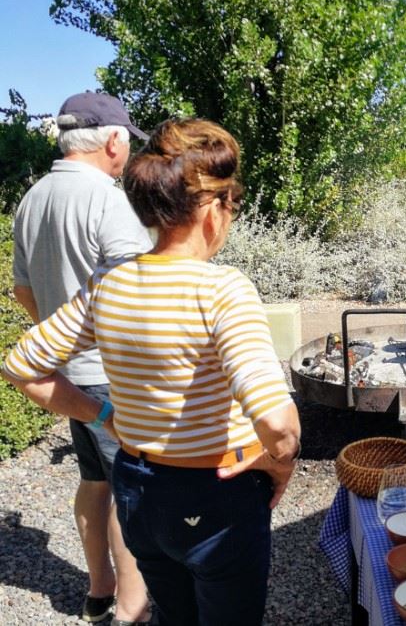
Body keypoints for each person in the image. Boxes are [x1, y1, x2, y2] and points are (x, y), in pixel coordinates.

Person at [3, 118, 302, 626]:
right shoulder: (223, 291)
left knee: (174, 614)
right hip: (216, 493)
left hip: (140, 490)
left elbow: (20, 366)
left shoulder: (109, 284)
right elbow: (277, 423)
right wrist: (280, 461)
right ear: (211, 209)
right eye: (233, 202)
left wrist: (104, 417)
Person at [12, 91, 152, 624]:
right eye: (127, 140)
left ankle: (98, 592)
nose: (127, 153)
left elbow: (24, 291)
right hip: (114, 377)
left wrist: (60, 341)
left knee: (94, 481)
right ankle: (131, 608)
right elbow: (134, 289)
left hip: (69, 376)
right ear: (112, 140)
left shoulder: (33, 198)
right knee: (129, 492)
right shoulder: (106, 200)